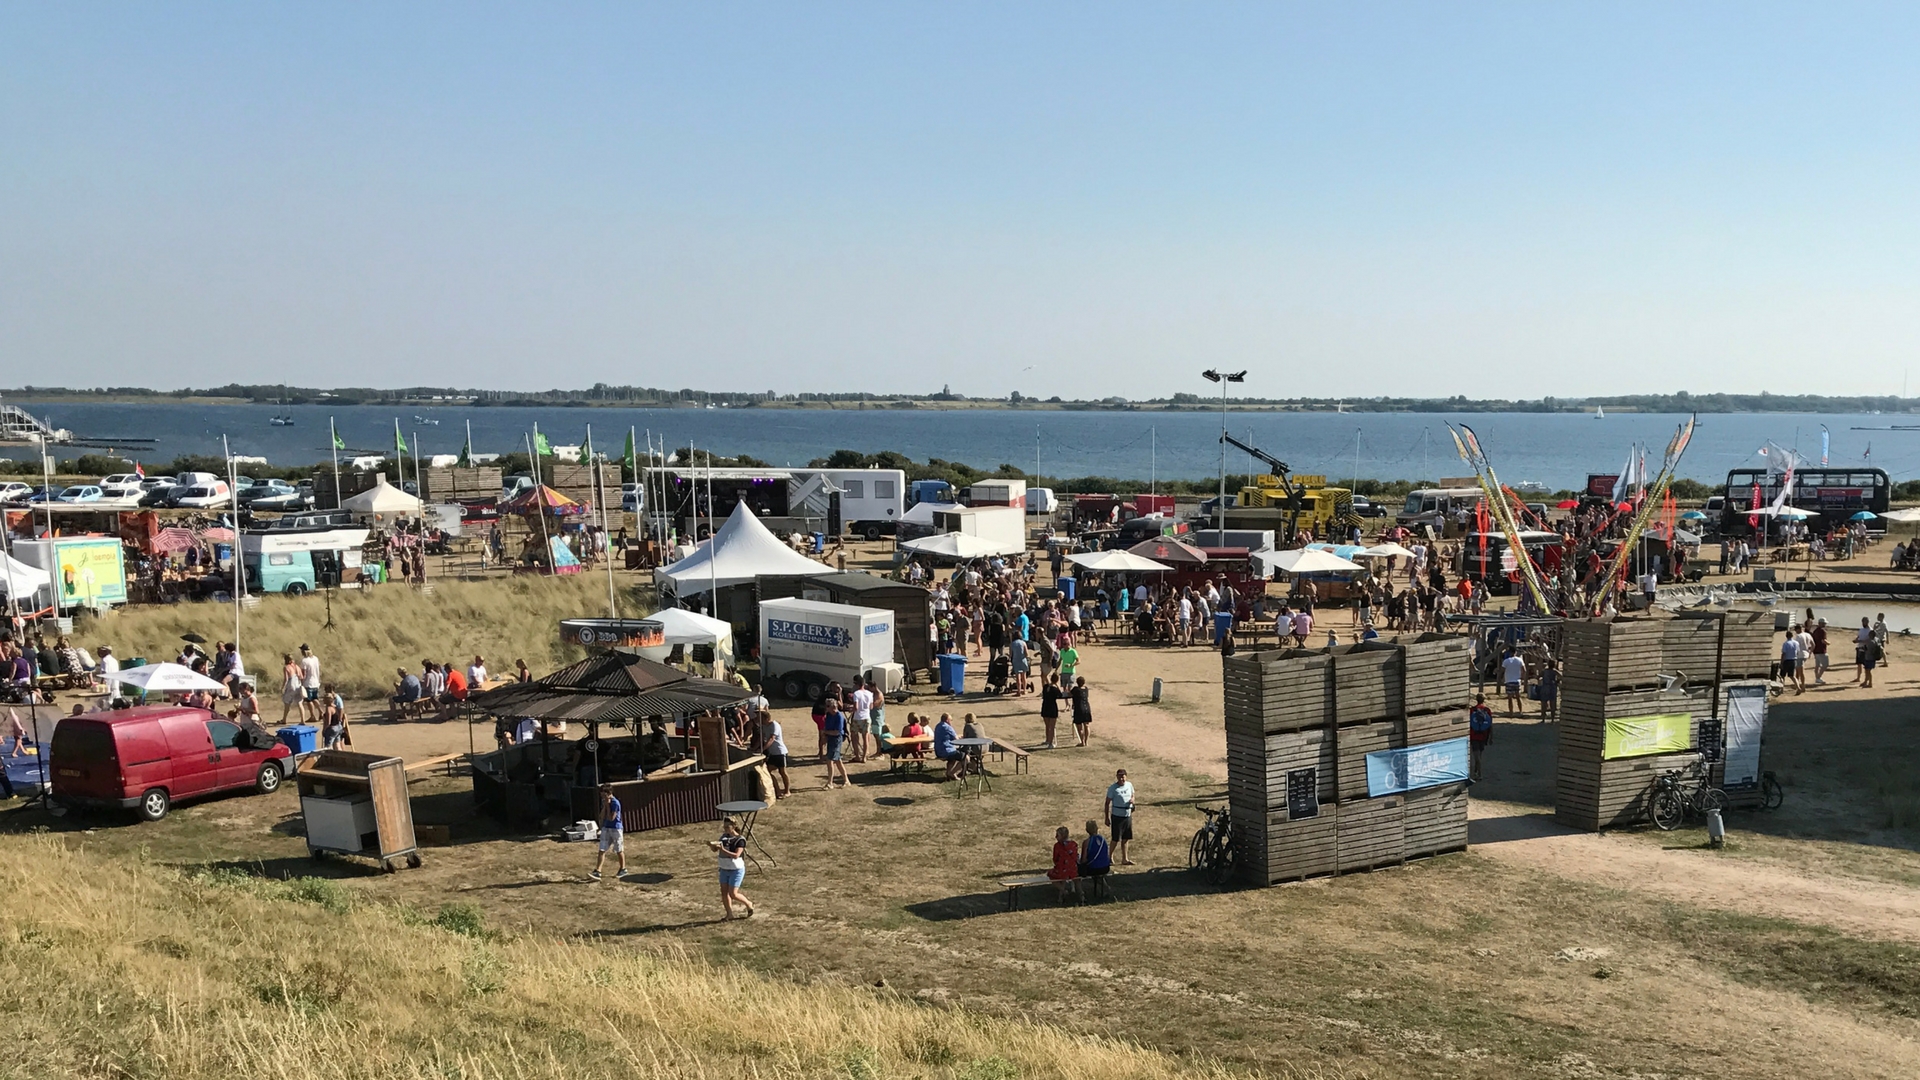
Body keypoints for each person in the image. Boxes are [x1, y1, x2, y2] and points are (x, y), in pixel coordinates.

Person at [709, 817, 754, 918]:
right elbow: (716, 850)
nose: (725, 829)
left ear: (734, 826)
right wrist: (713, 847)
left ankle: (748, 904)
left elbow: (736, 855)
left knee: (733, 893)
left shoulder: (740, 840)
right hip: (724, 868)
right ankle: (729, 914)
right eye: (724, 826)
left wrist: (722, 849)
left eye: (727, 826)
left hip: (736, 870)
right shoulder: (724, 837)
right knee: (724, 892)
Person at [589, 783, 628, 881]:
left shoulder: (615, 803)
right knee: (602, 849)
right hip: (606, 828)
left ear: (608, 793)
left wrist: (608, 806)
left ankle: (623, 868)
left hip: (616, 828)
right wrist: (605, 806)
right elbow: (602, 816)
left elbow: (611, 818)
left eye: (603, 794)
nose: (602, 796)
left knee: (619, 849)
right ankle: (598, 871)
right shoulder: (605, 802)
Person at [1103, 769, 1136, 866]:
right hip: (1117, 816)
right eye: (1120, 776)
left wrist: (1132, 800)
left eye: (1123, 776)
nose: (1122, 778)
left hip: (1127, 815)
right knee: (1115, 838)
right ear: (1117, 777)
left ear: (1126, 776)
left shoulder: (1129, 785)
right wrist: (1106, 817)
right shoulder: (1113, 788)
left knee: (1126, 838)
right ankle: (1109, 857)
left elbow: (1133, 794)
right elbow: (1107, 803)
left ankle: (1125, 858)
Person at [1078, 819, 1113, 900]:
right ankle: (1106, 887)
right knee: (1099, 873)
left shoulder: (1087, 842)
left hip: (1093, 869)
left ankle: (1079, 893)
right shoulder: (1103, 839)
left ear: (1087, 830)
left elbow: (1083, 860)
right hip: (1105, 867)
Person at [819, 694, 849, 788]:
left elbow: (837, 732)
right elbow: (826, 727)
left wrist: (826, 732)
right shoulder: (828, 715)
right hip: (830, 738)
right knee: (837, 760)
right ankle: (846, 780)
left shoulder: (839, 716)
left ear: (833, 707)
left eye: (828, 706)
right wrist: (824, 737)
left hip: (836, 739)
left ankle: (830, 782)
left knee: (830, 760)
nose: (826, 708)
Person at [758, 711, 790, 798]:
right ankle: (778, 791)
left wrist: (762, 749)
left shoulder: (775, 725)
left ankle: (787, 791)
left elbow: (772, 739)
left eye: (761, 719)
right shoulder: (763, 726)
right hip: (772, 753)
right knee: (768, 771)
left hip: (780, 752)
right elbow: (762, 738)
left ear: (767, 719)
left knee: (782, 772)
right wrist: (756, 748)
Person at [1047, 825, 1080, 903]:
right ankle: (1063, 897)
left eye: (1057, 835)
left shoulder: (1057, 846)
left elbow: (1055, 859)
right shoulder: (1073, 844)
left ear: (1062, 836)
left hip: (1063, 870)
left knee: (1051, 876)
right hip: (1073, 870)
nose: (1056, 837)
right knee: (1067, 875)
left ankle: (1063, 891)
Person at [932, 712, 965, 782]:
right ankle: (952, 773)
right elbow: (956, 739)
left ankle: (949, 773)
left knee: (953, 758)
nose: (951, 722)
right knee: (966, 757)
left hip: (938, 751)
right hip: (946, 751)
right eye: (951, 720)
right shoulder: (947, 727)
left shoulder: (938, 726)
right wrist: (962, 737)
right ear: (947, 720)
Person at [1468, 693, 1493, 781]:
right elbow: (1490, 725)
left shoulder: (1472, 710)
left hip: (1474, 735)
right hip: (1484, 735)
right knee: (1479, 756)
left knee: (1476, 756)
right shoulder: (1487, 710)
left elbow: (1469, 724)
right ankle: (1476, 772)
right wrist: (1491, 737)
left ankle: (1479, 774)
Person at [849, 678, 874, 765]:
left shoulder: (856, 693)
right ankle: (864, 757)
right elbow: (871, 707)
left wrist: (851, 709)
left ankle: (857, 755)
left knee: (854, 736)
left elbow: (856, 707)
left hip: (858, 717)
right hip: (867, 717)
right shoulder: (870, 694)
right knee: (865, 737)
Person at [297, 644, 322, 722]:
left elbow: (304, 674)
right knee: (315, 698)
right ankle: (321, 712)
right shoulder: (315, 658)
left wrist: (301, 681)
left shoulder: (304, 661)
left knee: (309, 700)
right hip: (316, 681)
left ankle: (312, 715)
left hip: (308, 682)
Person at [1039, 672, 1062, 749]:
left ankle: (1048, 739)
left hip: (1045, 706)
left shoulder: (1045, 687)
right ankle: (1051, 742)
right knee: (1052, 726)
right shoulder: (1055, 689)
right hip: (1052, 707)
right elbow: (1060, 695)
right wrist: (1057, 686)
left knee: (1047, 725)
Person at [279, 653, 304, 724]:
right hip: (298, 685)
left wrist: (283, 687)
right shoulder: (297, 667)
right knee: (299, 703)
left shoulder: (286, 667)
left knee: (287, 703)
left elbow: (286, 679)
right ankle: (302, 720)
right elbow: (301, 677)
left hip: (291, 685)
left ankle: (284, 719)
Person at [1500, 648, 1525, 717]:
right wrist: (1522, 678)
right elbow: (1524, 670)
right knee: (1518, 697)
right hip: (1517, 680)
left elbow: (1502, 670)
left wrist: (1501, 677)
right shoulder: (1520, 660)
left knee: (1510, 698)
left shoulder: (1506, 661)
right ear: (1515, 652)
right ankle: (1520, 711)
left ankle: (1511, 712)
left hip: (1509, 680)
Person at [1070, 675, 1093, 747]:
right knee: (1086, 725)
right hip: (1086, 708)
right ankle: (1086, 741)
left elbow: (1070, 693)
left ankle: (1082, 741)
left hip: (1079, 708)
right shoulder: (1086, 689)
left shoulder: (1075, 689)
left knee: (1079, 726)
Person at [1811, 619, 1830, 685]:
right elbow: (1823, 640)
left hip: (1815, 650)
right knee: (1825, 664)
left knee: (1817, 665)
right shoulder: (1822, 631)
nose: (1825, 625)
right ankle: (1818, 677)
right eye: (1824, 623)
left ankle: (1817, 677)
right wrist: (1828, 643)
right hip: (1821, 650)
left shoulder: (1815, 631)